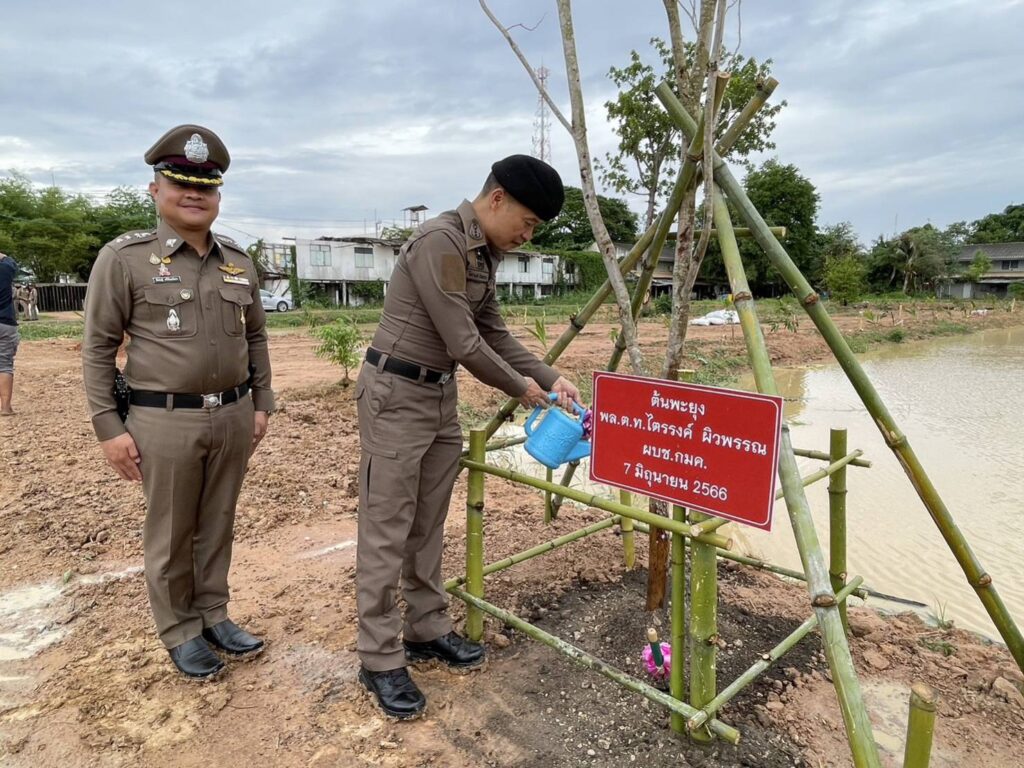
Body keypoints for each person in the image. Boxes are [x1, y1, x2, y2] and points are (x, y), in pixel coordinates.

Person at [356, 154, 581, 718]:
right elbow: (463, 341)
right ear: (497, 199)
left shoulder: (483, 254)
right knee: (388, 527)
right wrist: (524, 389)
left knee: (428, 521)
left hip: (438, 396)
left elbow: (493, 331)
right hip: (396, 394)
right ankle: (379, 657)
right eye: (527, 223)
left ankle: (426, 628)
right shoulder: (441, 242)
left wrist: (551, 377)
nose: (527, 236)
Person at [82, 124, 274, 680]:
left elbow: (256, 336)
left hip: (233, 413)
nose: (194, 195)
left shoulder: (238, 260)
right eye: (181, 184)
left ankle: (214, 614)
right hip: (162, 419)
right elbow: (97, 347)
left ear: (218, 196)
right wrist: (108, 427)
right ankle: (180, 629)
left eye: (205, 187)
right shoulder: (125, 259)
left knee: (217, 521)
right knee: (170, 530)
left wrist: (261, 401)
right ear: (156, 190)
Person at [0, 252, 19, 415]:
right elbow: (10, 262)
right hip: (5, 322)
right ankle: (6, 407)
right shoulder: (6, 269)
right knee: (5, 364)